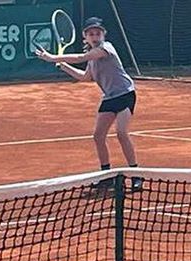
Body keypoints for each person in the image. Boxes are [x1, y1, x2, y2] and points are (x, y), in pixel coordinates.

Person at [36, 17, 142, 191]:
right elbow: (85, 77)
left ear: (103, 35)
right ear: (85, 37)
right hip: (109, 97)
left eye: (98, 33)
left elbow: (80, 57)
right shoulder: (92, 58)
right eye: (91, 34)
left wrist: (52, 57)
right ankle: (106, 176)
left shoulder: (106, 48)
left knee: (121, 133)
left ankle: (136, 174)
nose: (95, 36)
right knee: (98, 136)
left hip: (125, 94)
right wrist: (63, 66)